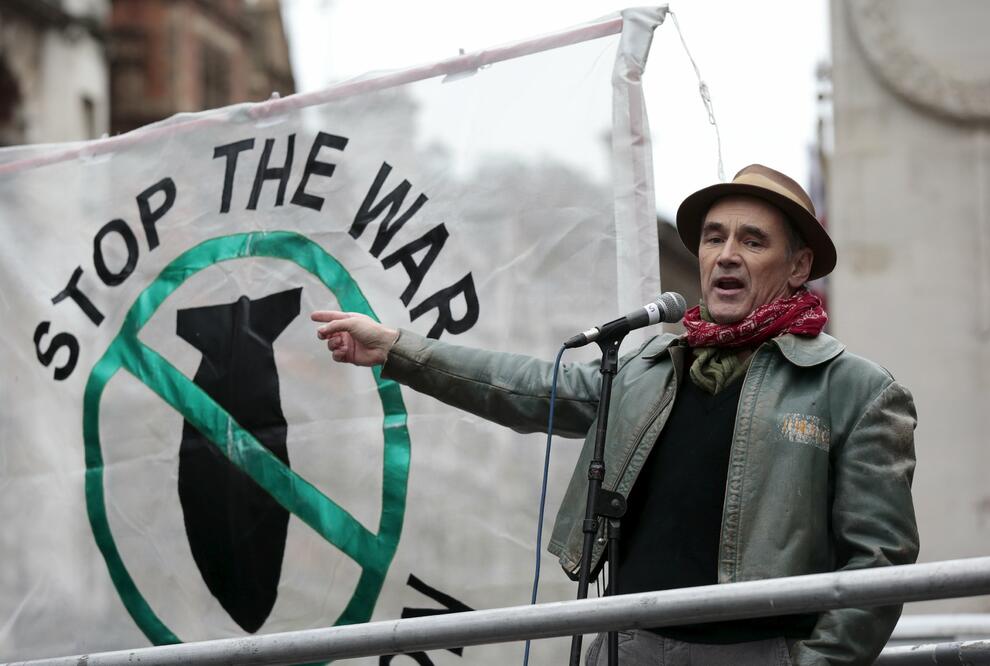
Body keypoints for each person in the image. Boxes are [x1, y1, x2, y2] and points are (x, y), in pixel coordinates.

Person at [312, 164, 918, 665]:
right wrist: (397, 349)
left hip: (756, 651)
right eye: (714, 238)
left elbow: (881, 559)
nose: (726, 255)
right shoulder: (646, 368)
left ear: (798, 267)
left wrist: (814, 663)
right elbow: (526, 387)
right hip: (627, 645)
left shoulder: (855, 390)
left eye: (753, 241)